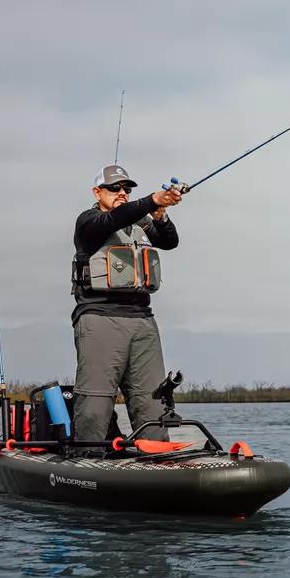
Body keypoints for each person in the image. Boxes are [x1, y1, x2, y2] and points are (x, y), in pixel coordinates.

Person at [70, 163, 183, 442]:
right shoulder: (89, 222)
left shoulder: (139, 223)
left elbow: (170, 242)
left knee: (152, 399)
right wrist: (152, 200)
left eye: (127, 189)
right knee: (96, 398)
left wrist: (160, 215)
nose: (122, 192)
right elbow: (114, 220)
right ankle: (90, 452)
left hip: (143, 320)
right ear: (97, 192)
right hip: (100, 317)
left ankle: (155, 452)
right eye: (114, 188)